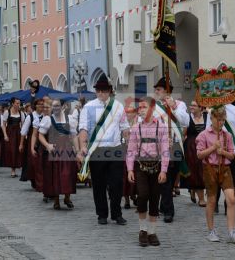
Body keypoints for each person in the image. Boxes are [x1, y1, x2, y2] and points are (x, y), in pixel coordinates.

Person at [78, 73, 130, 225]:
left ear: (109, 91)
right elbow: (83, 128)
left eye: (103, 90)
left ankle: (116, 213)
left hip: (115, 148)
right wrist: (82, 146)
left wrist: (129, 142)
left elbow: (125, 127)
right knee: (99, 184)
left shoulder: (118, 106)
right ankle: (101, 214)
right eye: (98, 90)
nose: (100, 93)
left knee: (116, 184)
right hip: (97, 149)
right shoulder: (88, 107)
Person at [196, 105, 235, 244]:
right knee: (211, 200)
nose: (221, 122)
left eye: (223, 120)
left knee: (231, 198)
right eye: (219, 120)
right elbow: (199, 155)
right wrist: (212, 148)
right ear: (212, 118)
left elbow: (231, 156)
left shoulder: (227, 135)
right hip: (210, 169)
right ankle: (211, 231)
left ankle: (231, 232)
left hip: (225, 169)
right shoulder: (204, 135)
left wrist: (222, 152)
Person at [127, 96, 169, 247]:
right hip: (140, 166)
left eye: (144, 107)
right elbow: (131, 151)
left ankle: (152, 232)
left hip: (156, 167)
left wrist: (163, 170)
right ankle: (142, 230)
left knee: (154, 198)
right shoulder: (136, 128)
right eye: (139, 108)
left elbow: (165, 151)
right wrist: (130, 169)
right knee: (143, 195)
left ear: (152, 108)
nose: (141, 110)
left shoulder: (162, 127)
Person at [153, 77, 189, 223]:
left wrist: (173, 107)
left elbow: (185, 121)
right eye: (156, 89)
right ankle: (169, 211)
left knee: (172, 177)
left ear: (167, 91)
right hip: (160, 146)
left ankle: (163, 204)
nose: (156, 92)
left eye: (159, 89)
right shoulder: (153, 107)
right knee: (165, 178)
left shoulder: (180, 104)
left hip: (175, 145)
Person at [206, 103, 235, 215]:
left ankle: (229, 205)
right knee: (215, 178)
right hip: (215, 150)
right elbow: (207, 129)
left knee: (232, 180)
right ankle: (214, 201)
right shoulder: (211, 110)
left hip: (232, 152)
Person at [39, 99, 78, 210]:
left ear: (62, 107)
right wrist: (47, 145)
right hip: (55, 150)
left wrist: (77, 149)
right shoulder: (48, 119)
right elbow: (40, 135)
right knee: (55, 174)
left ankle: (67, 197)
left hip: (67, 149)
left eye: (57, 106)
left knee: (68, 173)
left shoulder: (69, 119)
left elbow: (74, 136)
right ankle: (56, 200)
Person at [182, 100, 207, 207]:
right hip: (191, 147)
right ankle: (201, 198)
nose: (191, 107)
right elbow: (183, 134)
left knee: (204, 171)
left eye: (194, 105)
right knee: (195, 171)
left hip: (205, 146)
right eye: (190, 104)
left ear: (201, 108)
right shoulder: (187, 118)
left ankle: (193, 189)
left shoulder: (207, 117)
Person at [19, 98, 44, 186]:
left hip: (43, 140)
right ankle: (34, 180)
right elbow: (23, 131)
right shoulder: (30, 117)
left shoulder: (46, 116)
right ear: (35, 106)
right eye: (39, 104)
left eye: (42, 104)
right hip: (32, 141)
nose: (41, 106)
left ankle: (41, 180)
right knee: (33, 162)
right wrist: (21, 144)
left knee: (42, 162)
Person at [2, 97, 25, 178]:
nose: (19, 105)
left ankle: (17, 166)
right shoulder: (7, 112)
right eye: (17, 103)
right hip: (10, 132)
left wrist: (24, 134)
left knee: (18, 150)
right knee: (12, 150)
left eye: (19, 103)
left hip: (18, 132)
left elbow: (23, 125)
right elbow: (3, 125)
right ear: (12, 103)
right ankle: (12, 169)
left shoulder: (21, 113)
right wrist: (5, 135)